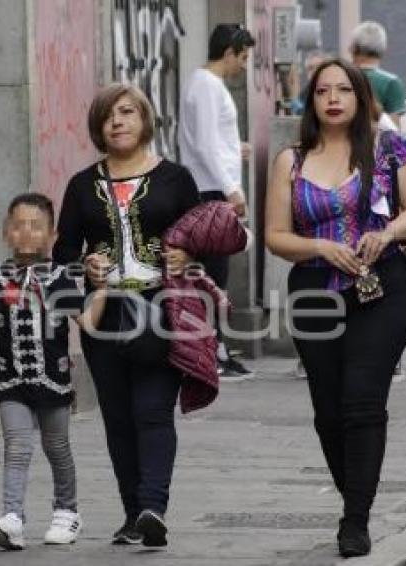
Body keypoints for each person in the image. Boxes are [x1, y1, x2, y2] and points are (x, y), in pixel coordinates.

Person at [265, 58, 406, 558]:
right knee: (328, 411)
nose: (333, 98)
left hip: (381, 288)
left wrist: (386, 233)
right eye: (322, 91)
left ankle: (354, 520)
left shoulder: (387, 147)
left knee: (362, 402)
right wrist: (318, 248)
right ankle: (356, 496)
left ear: (360, 96)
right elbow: (275, 236)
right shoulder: (289, 161)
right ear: (311, 101)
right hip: (314, 292)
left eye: (343, 89)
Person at [53, 84, 200, 547]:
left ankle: (153, 506)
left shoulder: (176, 179)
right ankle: (133, 512)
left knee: (152, 411)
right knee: (118, 416)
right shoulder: (81, 185)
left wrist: (185, 259)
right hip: (106, 312)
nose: (116, 122)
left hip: (162, 308)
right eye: (107, 116)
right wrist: (84, 269)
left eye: (126, 112)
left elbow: (206, 241)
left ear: (145, 120)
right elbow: (61, 256)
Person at [0, 193, 107, 550]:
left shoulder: (60, 279)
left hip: (53, 379)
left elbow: (88, 322)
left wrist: (103, 289)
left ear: (52, 236)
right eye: (17, 225)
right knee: (16, 446)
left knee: (57, 447)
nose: (26, 233)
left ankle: (66, 512)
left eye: (36, 226)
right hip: (10, 378)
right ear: (5, 233)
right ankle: (12, 518)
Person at [178, 23, 255, 380]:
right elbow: (206, 143)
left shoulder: (201, 83)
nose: (244, 65)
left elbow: (203, 140)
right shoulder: (208, 86)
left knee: (212, 275)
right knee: (213, 276)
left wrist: (232, 149)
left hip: (209, 186)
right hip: (211, 189)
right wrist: (231, 189)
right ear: (229, 52)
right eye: (243, 57)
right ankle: (212, 352)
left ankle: (216, 348)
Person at [350, 21, 406, 129]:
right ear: (383, 49)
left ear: (353, 48)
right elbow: (393, 130)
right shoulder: (392, 82)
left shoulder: (341, 77)